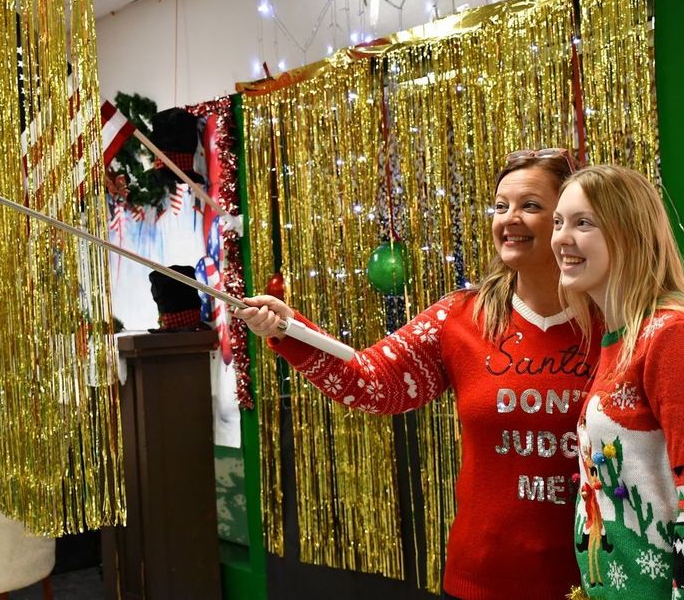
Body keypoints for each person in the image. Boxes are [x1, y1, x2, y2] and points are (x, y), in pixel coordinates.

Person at [239, 149, 597, 600]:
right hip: (480, 582)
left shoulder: (617, 319)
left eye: (530, 205)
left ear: (568, 221)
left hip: (598, 582)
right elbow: (372, 383)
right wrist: (290, 329)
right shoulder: (460, 318)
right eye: (500, 206)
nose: (509, 219)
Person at [551, 165, 684, 599]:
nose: (562, 238)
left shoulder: (677, 337)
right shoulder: (620, 339)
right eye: (558, 222)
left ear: (629, 233)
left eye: (583, 223)